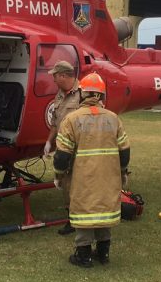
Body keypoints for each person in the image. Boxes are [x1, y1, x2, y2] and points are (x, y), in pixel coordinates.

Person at [53, 73, 131, 268]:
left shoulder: (72, 120)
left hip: (83, 178)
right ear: (102, 96)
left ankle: (83, 255)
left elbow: (62, 156)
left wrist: (59, 176)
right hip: (109, 177)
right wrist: (122, 172)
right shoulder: (113, 119)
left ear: (81, 93)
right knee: (104, 210)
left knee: (84, 213)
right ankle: (103, 253)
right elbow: (125, 151)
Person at [43, 60, 82, 235]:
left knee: (80, 184)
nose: (53, 81)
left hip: (80, 148)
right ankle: (71, 220)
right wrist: (48, 142)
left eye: (55, 77)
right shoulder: (60, 94)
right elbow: (55, 122)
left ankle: (83, 221)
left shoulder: (84, 93)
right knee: (65, 183)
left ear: (63, 75)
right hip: (63, 147)